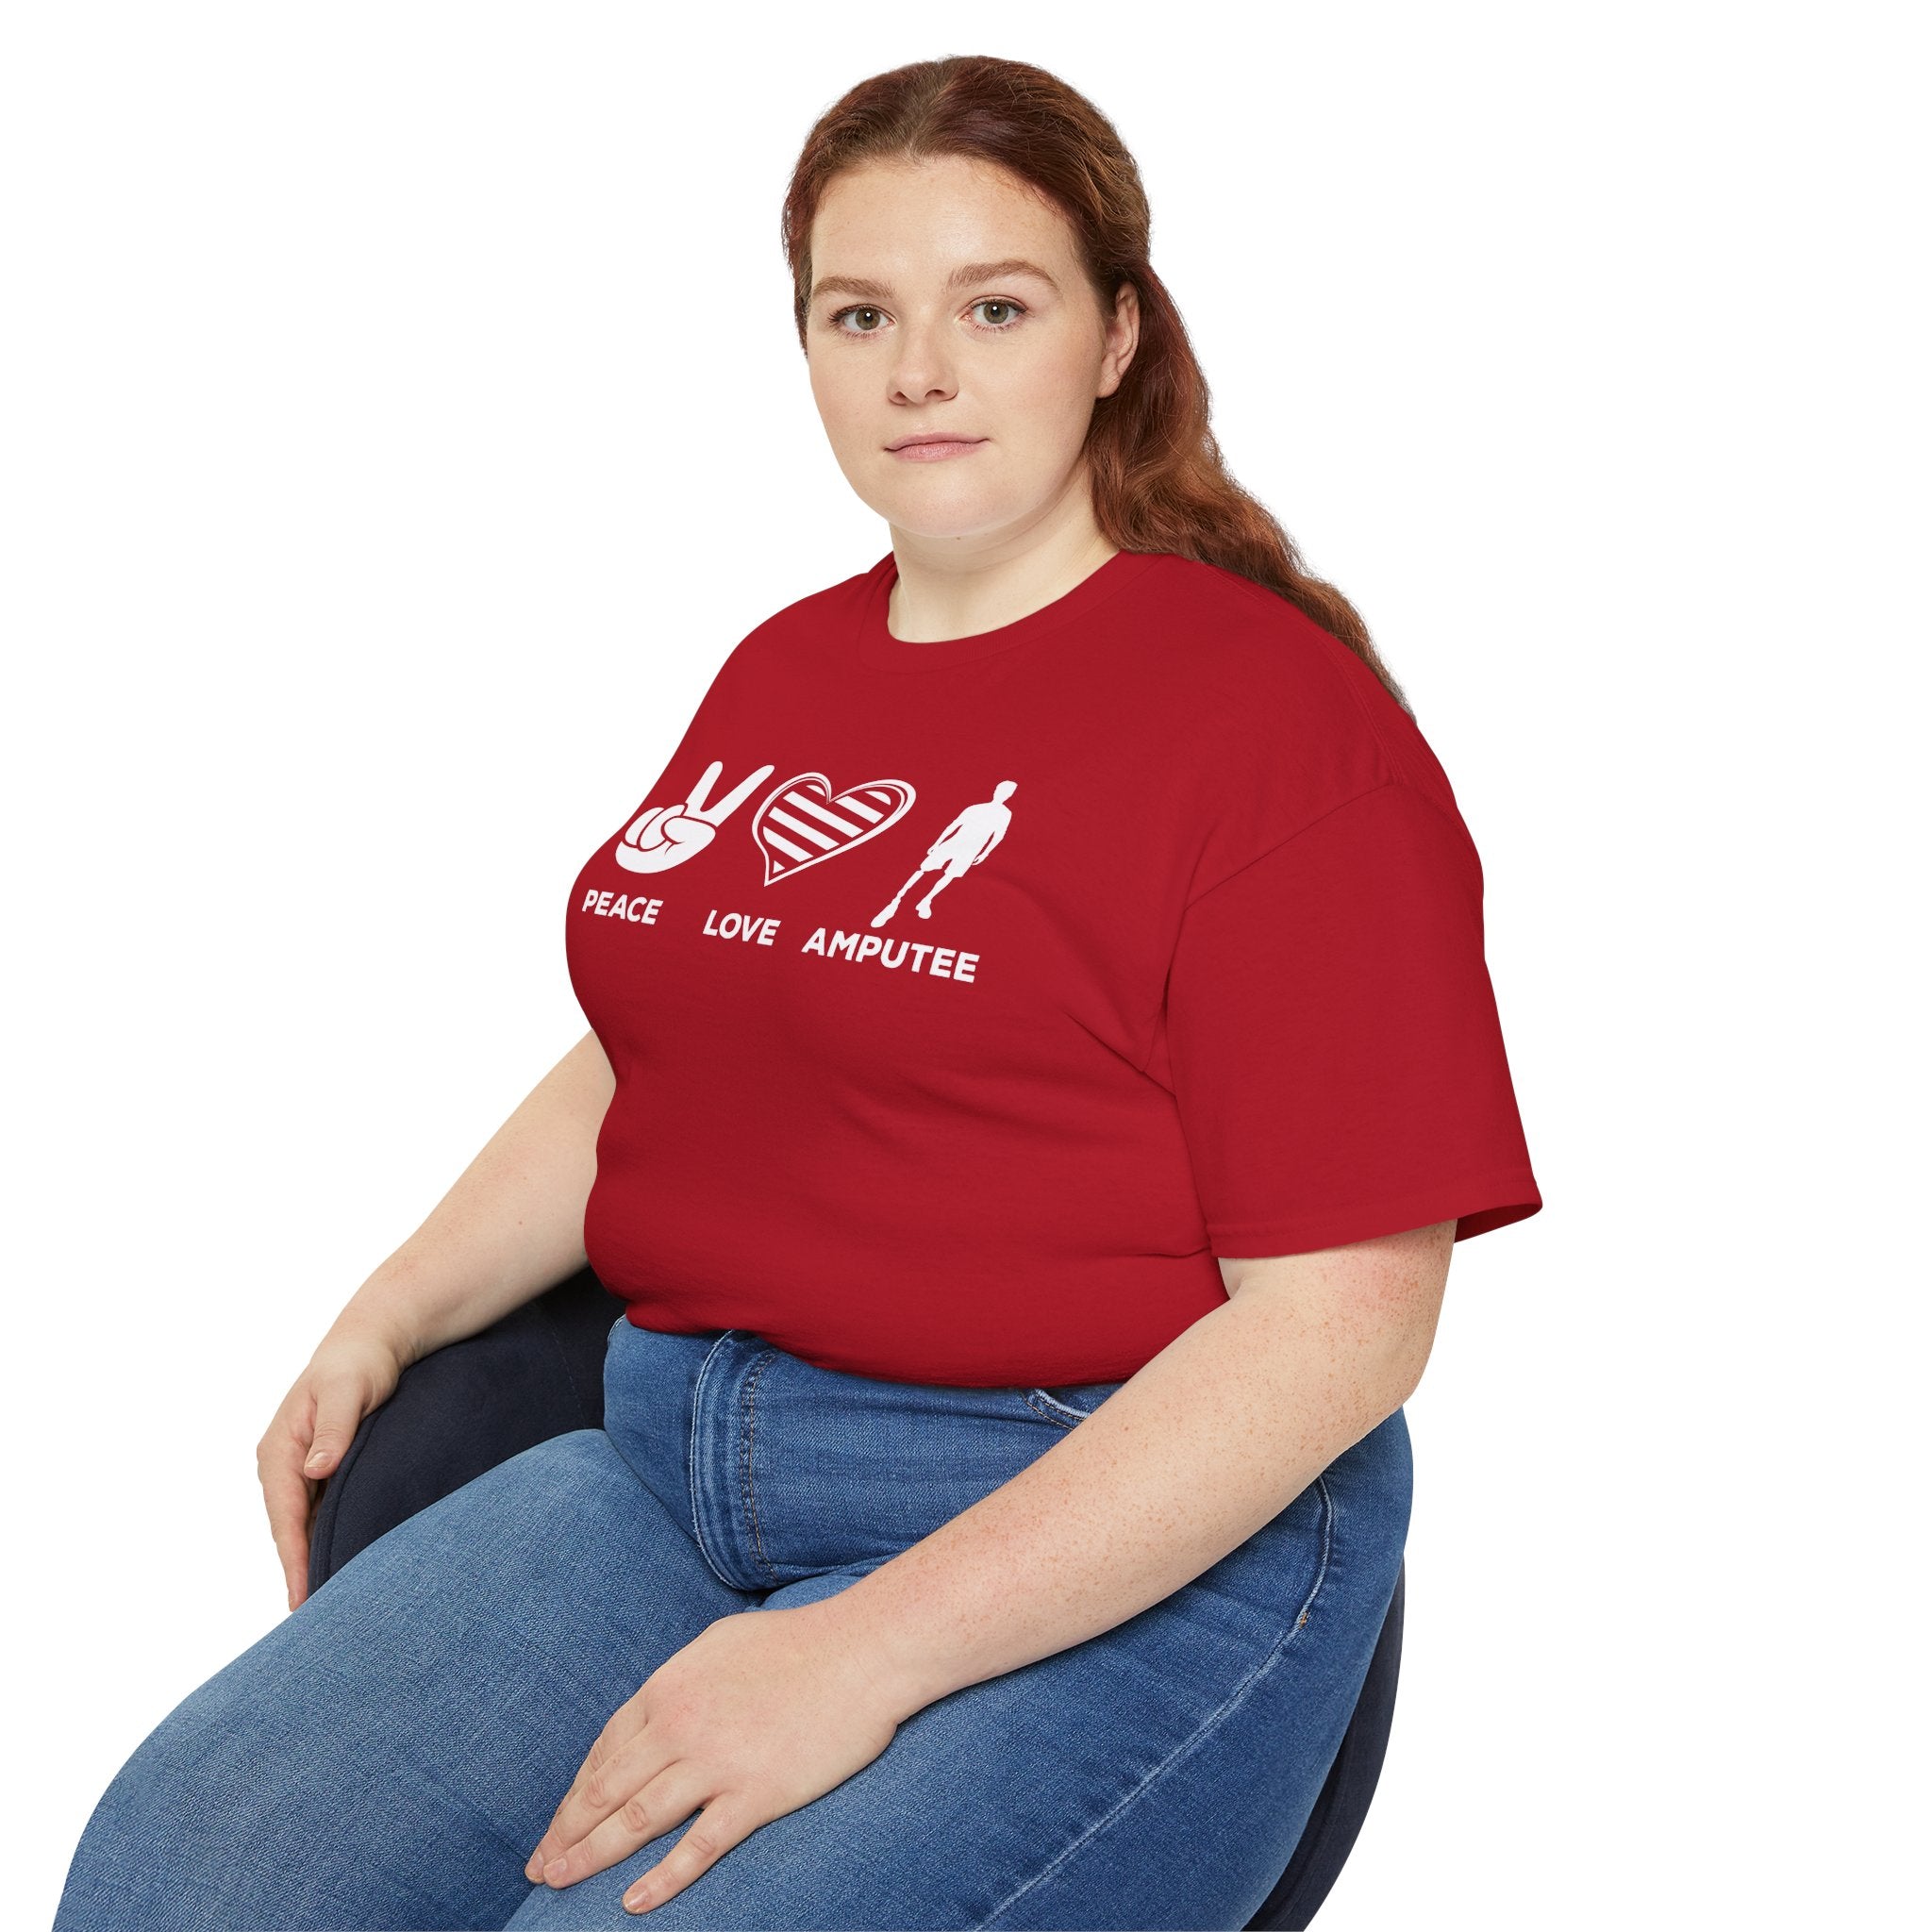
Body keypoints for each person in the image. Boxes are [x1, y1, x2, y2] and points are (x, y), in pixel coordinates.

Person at [54, 52, 1542, 1932]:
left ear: (1113, 336)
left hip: (1087, 1505)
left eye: (993, 308)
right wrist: (390, 1308)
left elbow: (1341, 1327)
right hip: (679, 1467)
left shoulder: (1275, 729)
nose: (919, 370)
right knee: (179, 1881)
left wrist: (864, 1656)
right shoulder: (792, 670)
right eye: (860, 314)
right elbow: (682, 1041)